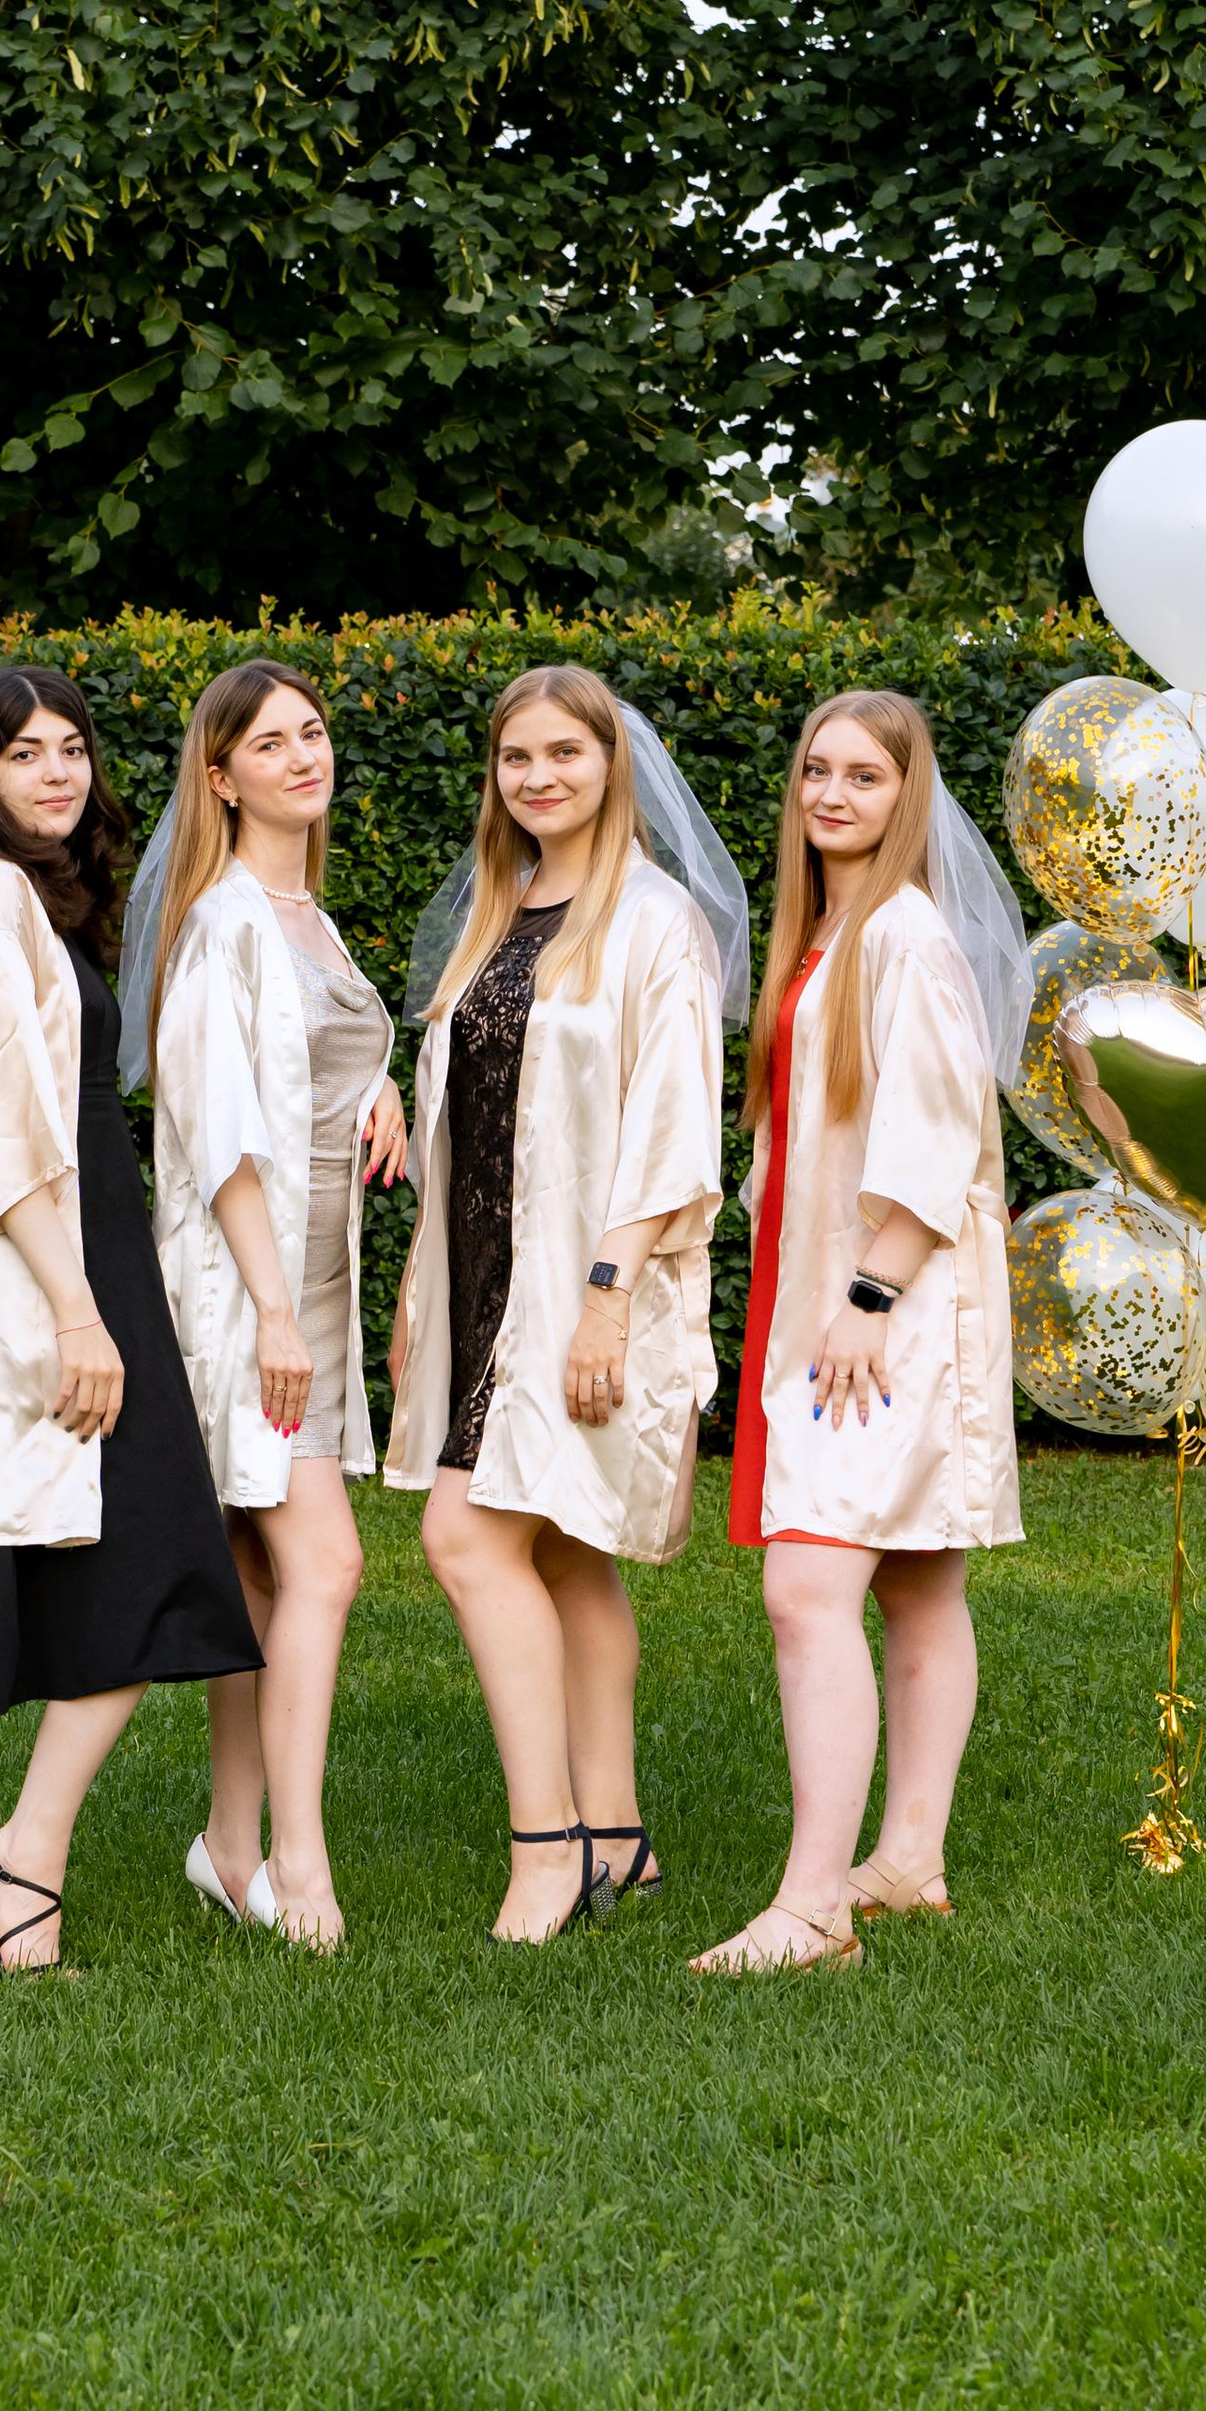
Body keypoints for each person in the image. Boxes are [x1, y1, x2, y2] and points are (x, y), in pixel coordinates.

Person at [0, 665, 259, 1968]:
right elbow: (8, 1128)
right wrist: (81, 1314)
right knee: (162, 1552)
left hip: (61, 1257)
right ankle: (27, 1855)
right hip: (33, 1272)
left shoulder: (34, 902)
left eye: (72, 748)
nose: (58, 772)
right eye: (24, 754)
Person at [385, 667, 746, 1944]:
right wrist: (425, 1293)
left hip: (587, 1285)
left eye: (563, 755)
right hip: (485, 1286)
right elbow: (469, 1114)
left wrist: (607, 1297)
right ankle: (619, 1838)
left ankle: (546, 1852)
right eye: (515, 759)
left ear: (611, 763)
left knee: (467, 1542)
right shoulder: (500, 910)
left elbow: (672, 1128)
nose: (538, 778)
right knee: (568, 1558)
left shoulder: (655, 923)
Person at [692, 690, 1031, 1977]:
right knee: (915, 1579)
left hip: (886, 1306)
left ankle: (813, 1904)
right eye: (815, 772)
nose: (831, 795)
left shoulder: (904, 937)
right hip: (837, 1296)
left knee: (808, 1586)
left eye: (864, 777)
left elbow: (940, 1138)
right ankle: (910, 1859)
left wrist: (873, 1293)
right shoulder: (829, 932)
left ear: (908, 797)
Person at [122, 659, 409, 1950]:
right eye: (270, 743)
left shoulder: (312, 920)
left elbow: (325, 1062)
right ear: (219, 775)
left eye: (314, 732)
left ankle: (226, 1844)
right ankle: (301, 1866)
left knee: (253, 1571)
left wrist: (383, 1088)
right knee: (325, 1562)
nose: (304, 756)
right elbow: (222, 1135)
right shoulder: (225, 922)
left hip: (321, 1281)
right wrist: (274, 1312)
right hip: (252, 1291)